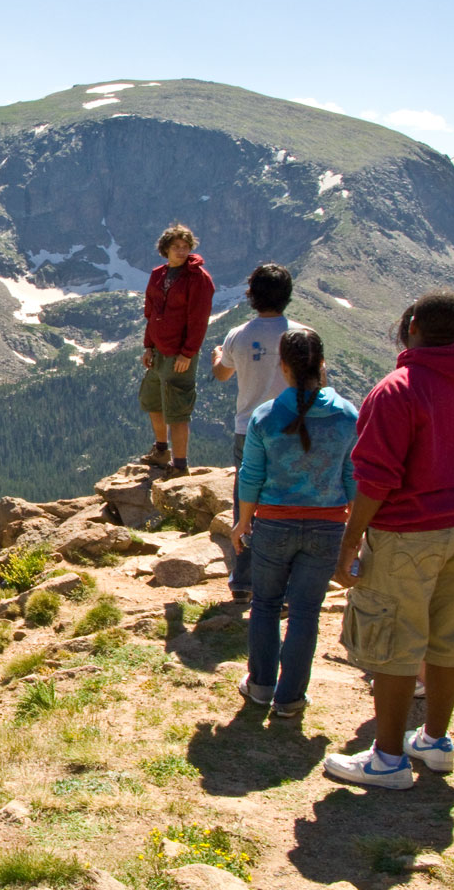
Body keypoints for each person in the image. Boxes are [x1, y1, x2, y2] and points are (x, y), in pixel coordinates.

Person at [322, 291, 454, 790]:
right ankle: (436, 740)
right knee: (449, 636)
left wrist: (351, 540)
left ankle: (388, 758)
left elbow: (375, 478)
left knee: (394, 641)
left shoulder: (398, 389)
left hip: (407, 533)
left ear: (413, 325)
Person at [232, 329, 358, 718]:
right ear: (323, 366)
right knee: (306, 610)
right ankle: (290, 699)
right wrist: (353, 521)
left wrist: (243, 522)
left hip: (272, 524)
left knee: (266, 605)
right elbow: (353, 473)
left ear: (282, 367)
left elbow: (251, 474)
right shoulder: (347, 415)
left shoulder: (265, 416)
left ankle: (260, 685)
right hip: (327, 525)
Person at [212, 263, 311, 600]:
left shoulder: (238, 334)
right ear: (288, 295)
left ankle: (244, 579)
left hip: (249, 427)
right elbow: (319, 383)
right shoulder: (303, 335)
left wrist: (217, 357)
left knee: (247, 501)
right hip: (294, 426)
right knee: (290, 498)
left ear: (251, 295)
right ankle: (284, 580)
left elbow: (222, 374)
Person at [139, 223, 215, 479]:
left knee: (178, 410)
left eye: (186, 247)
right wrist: (148, 346)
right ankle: (161, 451)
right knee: (154, 402)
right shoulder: (158, 275)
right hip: (159, 351)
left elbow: (198, 319)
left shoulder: (198, 279)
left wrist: (188, 353)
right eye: (176, 247)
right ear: (166, 250)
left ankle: (180, 466)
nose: (182, 252)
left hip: (179, 355)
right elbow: (151, 313)